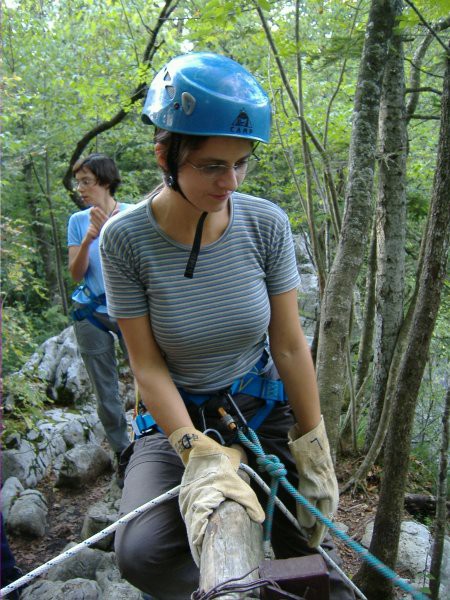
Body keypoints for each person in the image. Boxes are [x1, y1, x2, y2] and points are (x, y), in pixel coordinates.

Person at [100, 53, 355, 600]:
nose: (231, 181)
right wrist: (198, 453)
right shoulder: (124, 240)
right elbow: (145, 364)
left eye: (242, 163)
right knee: (141, 553)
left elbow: (288, 346)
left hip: (259, 406)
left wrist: (312, 444)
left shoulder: (265, 224)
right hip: (178, 415)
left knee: (313, 555)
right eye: (213, 165)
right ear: (165, 155)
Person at [67, 153, 131, 474]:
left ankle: (158, 439)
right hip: (89, 312)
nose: (80, 188)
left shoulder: (132, 216)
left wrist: (109, 231)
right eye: (79, 182)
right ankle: (124, 452)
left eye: (86, 182)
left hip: (129, 312)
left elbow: (141, 269)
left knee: (148, 376)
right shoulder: (77, 222)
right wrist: (90, 236)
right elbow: (76, 274)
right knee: (105, 390)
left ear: (105, 181)